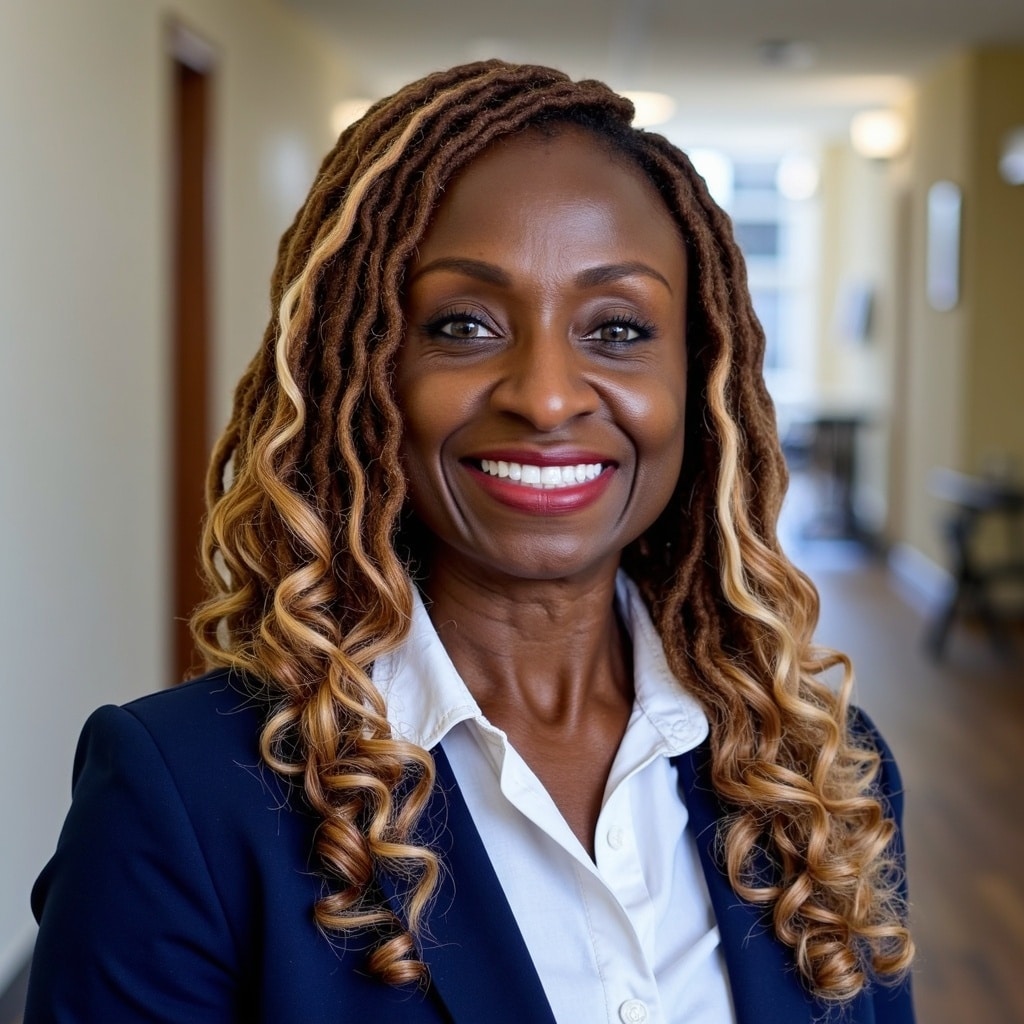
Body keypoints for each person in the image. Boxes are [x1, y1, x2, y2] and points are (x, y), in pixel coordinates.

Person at [26, 61, 915, 1023]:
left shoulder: (821, 777)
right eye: (463, 324)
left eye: (618, 330)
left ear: (701, 380)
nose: (547, 396)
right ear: (362, 371)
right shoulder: (185, 795)